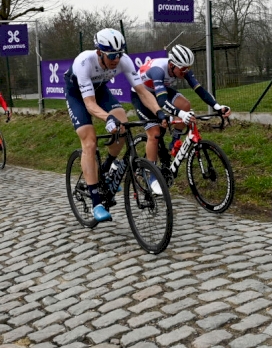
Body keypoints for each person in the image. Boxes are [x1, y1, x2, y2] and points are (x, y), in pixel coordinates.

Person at [65, 28, 169, 222]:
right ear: (99, 53)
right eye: (112, 55)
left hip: (100, 90)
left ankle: (105, 169)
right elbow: (89, 104)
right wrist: (107, 118)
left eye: (119, 54)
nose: (116, 59)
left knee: (123, 125)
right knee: (89, 142)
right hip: (78, 96)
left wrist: (158, 111)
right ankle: (96, 202)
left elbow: (142, 91)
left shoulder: (123, 60)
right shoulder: (84, 62)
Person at [130, 44, 231, 193]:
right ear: (171, 65)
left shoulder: (182, 70)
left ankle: (174, 142)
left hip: (161, 88)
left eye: (188, 68)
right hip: (141, 94)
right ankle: (150, 172)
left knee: (185, 104)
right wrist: (181, 115)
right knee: (155, 133)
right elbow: (161, 101)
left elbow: (200, 90)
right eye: (183, 69)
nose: (186, 72)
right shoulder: (158, 70)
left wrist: (217, 107)